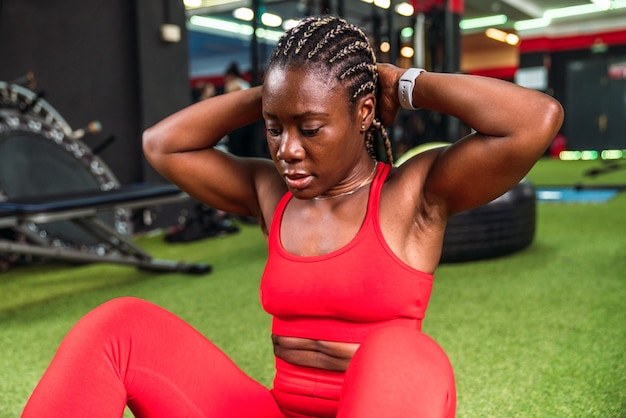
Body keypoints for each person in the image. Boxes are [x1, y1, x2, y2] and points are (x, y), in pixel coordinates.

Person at [21, 15, 563, 418]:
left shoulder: (413, 197)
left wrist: (398, 81)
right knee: (119, 327)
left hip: (388, 404)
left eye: (310, 127)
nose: (287, 150)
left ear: (364, 113)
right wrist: (285, 90)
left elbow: (536, 120)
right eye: (275, 128)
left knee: (405, 353)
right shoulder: (270, 193)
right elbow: (163, 145)